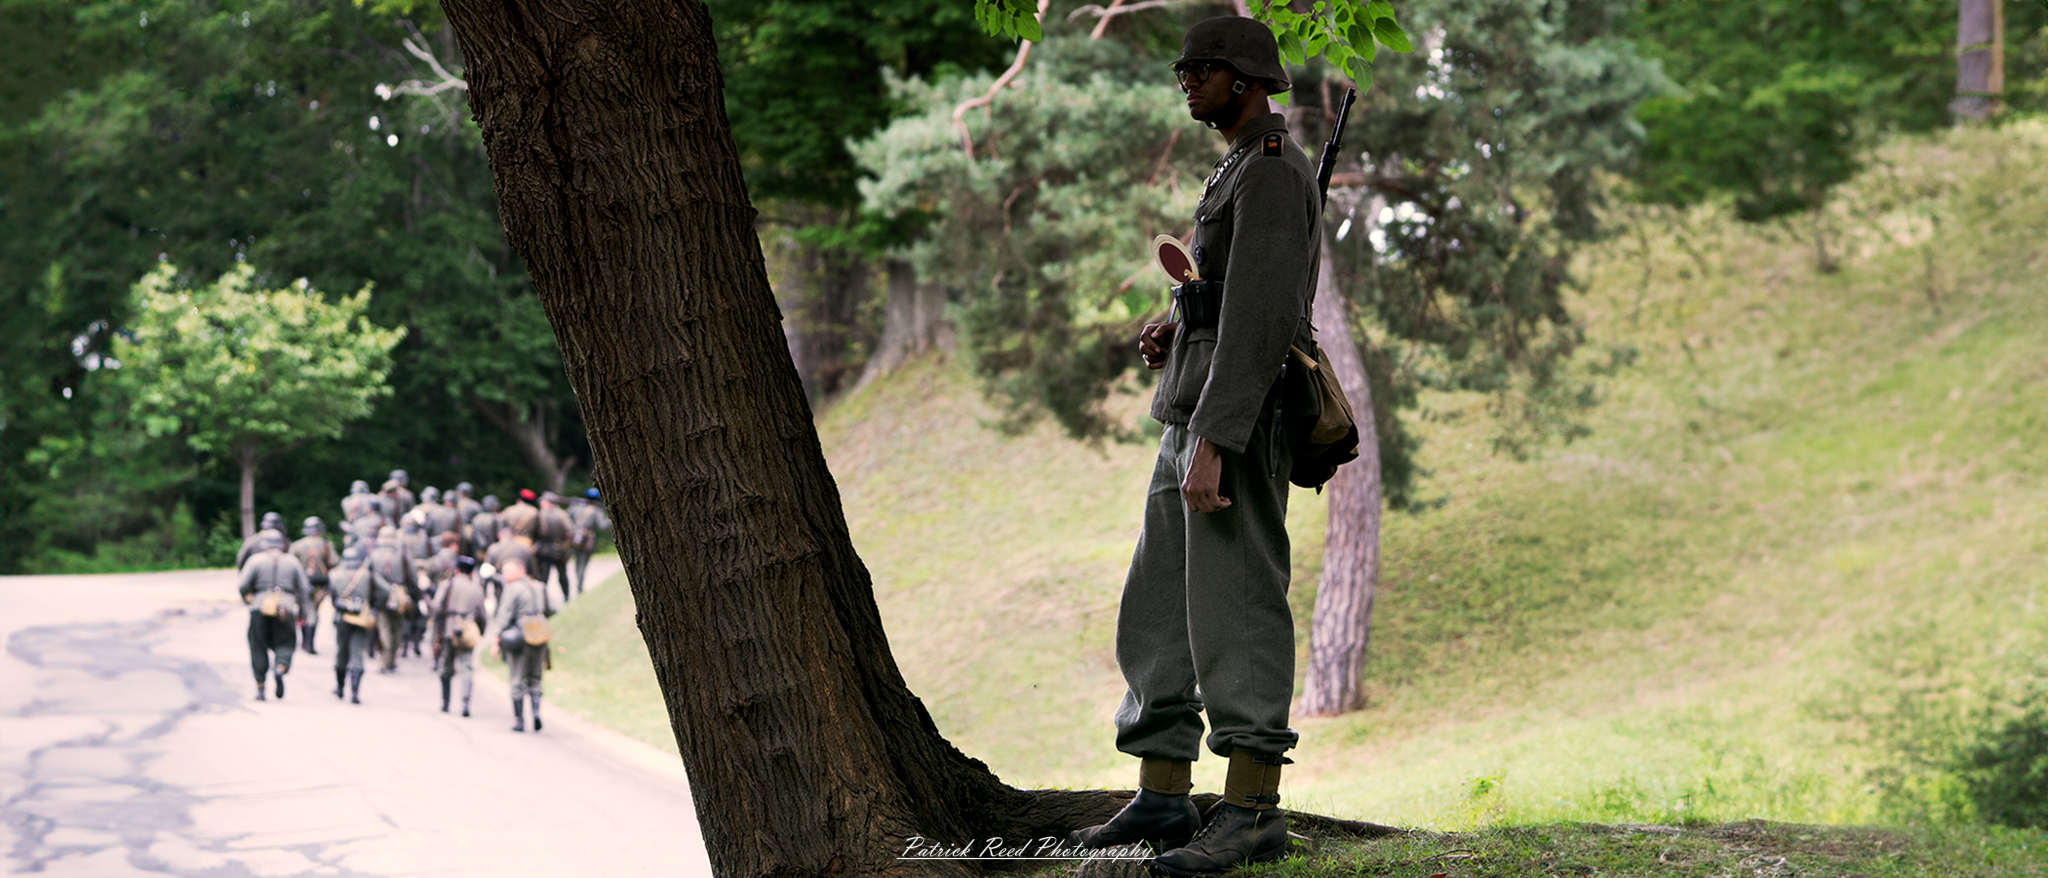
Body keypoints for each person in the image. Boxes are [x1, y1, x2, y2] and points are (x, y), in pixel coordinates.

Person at [1070, 18, 1320, 876]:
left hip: (1234, 425)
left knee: (1237, 606)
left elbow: (1260, 322)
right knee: (1161, 607)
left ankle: (1251, 810)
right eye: (1184, 68)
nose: (1185, 80)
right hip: (1189, 415)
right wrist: (1173, 331)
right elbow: (1221, 299)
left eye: (1201, 69)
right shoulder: (1236, 169)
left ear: (1246, 78)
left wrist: (1214, 440)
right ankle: (1164, 797)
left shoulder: (1277, 175)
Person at [237, 533, 311, 702]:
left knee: (258, 645)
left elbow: (243, 585)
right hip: (286, 606)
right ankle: (280, 667)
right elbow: (304, 588)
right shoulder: (292, 561)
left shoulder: (256, 560)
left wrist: (247, 599)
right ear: (283, 545)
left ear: (266, 545)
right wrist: (303, 610)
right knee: (286, 642)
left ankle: (260, 687)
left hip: (259, 607)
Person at [488, 557, 553, 733]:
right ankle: (537, 713)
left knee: (517, 679)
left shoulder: (513, 589)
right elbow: (551, 608)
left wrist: (496, 639)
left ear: (520, 570)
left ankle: (519, 721)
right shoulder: (539, 586)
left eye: (508, 571)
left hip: (522, 634)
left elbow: (504, 615)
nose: (505, 575)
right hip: (541, 633)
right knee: (535, 677)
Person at [328, 544, 391, 704]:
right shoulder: (367, 575)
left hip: (342, 618)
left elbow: (333, 598)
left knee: (341, 652)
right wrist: (375, 607)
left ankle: (340, 687)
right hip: (362, 618)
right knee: (357, 653)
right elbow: (386, 590)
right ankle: (355, 692)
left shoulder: (335, 575)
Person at [431, 555, 489, 716]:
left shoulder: (446, 585)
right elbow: (482, 615)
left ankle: (445, 702)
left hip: (449, 629)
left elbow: (436, 607)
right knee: (467, 667)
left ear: (457, 570)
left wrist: (436, 629)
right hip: (468, 631)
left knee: (446, 667)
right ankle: (465, 703)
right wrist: (480, 632)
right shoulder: (476, 588)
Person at [289, 517, 341, 655]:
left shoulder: (297, 545)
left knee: (304, 610)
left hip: (300, 583)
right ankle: (308, 643)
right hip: (319, 585)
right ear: (318, 531)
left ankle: (305, 641)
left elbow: (290, 563)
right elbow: (335, 561)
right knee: (313, 612)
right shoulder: (325, 545)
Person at [369, 525, 417, 671]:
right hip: (400, 595)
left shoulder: (374, 554)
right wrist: (414, 596)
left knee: (384, 626)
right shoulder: (403, 554)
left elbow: (367, 575)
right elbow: (413, 577)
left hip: (380, 596)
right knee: (397, 627)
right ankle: (392, 659)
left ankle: (385, 659)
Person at [568, 489, 613, 595]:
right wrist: (611, 519)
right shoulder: (596, 510)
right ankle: (579, 586)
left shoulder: (576, 507)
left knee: (577, 562)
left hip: (575, 538)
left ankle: (578, 584)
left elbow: (567, 517)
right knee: (583, 564)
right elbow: (602, 526)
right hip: (587, 540)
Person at [535, 492, 575, 602]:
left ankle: (542, 601)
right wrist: (565, 545)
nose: (541, 504)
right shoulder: (562, 514)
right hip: (560, 550)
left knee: (543, 578)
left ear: (549, 503)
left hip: (543, 550)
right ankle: (567, 597)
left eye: (543, 502)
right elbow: (570, 532)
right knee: (562, 576)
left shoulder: (539, 515)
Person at [483, 525, 535, 605]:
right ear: (514, 535)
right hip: (522, 589)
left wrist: (484, 594)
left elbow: (485, 573)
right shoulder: (525, 549)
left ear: (499, 536)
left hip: (501, 589)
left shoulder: (493, 549)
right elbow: (534, 572)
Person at [467, 495, 503, 559]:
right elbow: (500, 536)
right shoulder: (497, 518)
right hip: (492, 550)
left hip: (478, 551)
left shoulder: (476, 518)